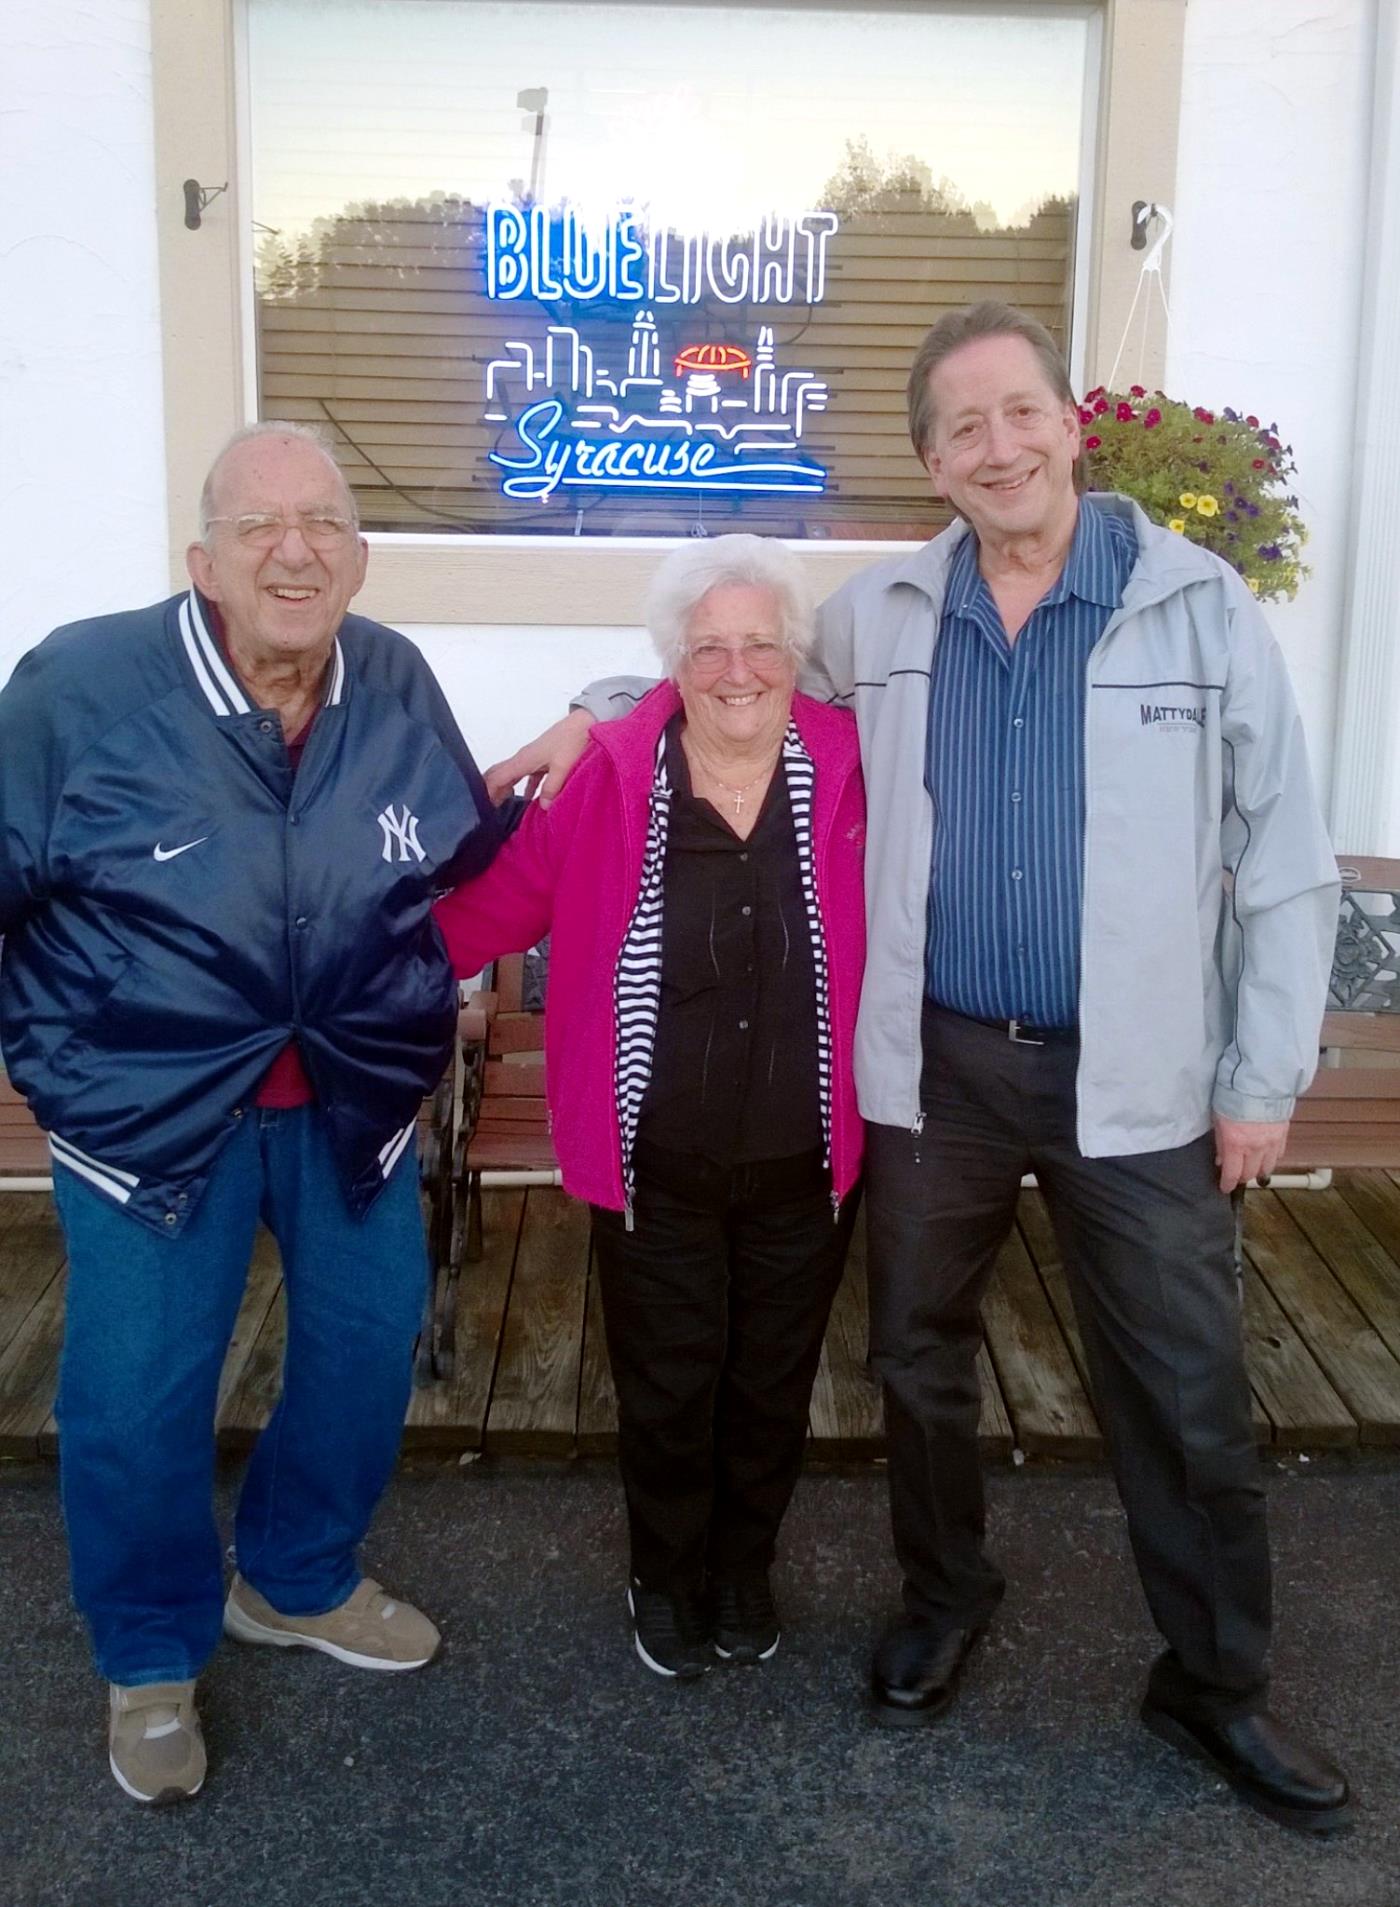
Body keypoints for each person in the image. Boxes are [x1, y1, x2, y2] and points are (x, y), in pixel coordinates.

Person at [486, 304, 1353, 1832]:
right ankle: (946, 1594)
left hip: (1139, 1073)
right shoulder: (885, 610)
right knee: (917, 1359)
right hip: (940, 1066)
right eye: (964, 427)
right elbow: (731, 672)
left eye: (1020, 412)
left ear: (1071, 425)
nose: (999, 446)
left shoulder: (1198, 605)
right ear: (931, 462)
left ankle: (1215, 1680)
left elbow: (1284, 857)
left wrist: (1261, 1075)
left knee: (1187, 1386)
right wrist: (597, 705)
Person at [0, 422, 505, 1804]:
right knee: (136, 1395)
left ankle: (294, 1576)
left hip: (349, 1100)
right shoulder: (80, 686)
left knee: (364, 1353)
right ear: (203, 558)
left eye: (325, 523)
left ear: (359, 553)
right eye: (260, 525)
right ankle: (150, 1651)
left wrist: (583, 747)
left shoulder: (391, 676)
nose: (296, 550)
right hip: (150, 1111)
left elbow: (450, 858)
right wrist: (59, 1056)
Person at [436, 535, 865, 1679]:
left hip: (805, 1155)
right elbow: (488, 910)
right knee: (668, 1386)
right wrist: (355, 963)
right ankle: (664, 1573)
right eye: (707, 646)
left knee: (770, 1387)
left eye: (759, 643)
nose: (736, 668)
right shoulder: (610, 774)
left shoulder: (854, 766)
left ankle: (743, 1565)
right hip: (655, 1157)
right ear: (672, 659)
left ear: (794, 654)